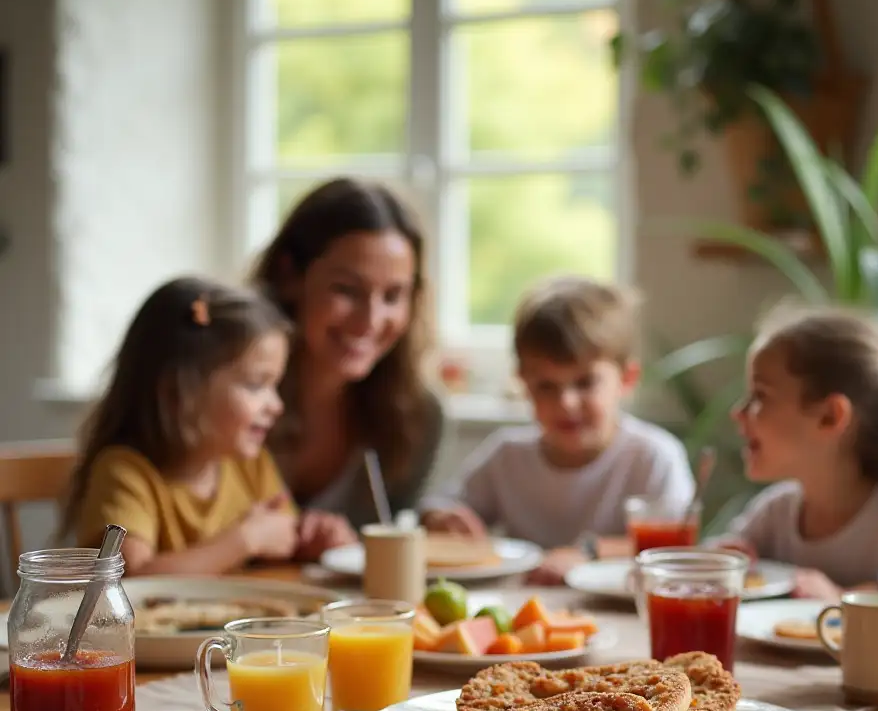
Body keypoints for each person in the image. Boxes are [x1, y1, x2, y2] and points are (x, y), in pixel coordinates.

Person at [62, 278, 351, 574]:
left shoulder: (250, 466)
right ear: (181, 392)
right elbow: (133, 578)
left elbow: (280, 542)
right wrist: (245, 539)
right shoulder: (126, 472)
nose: (276, 405)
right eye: (255, 385)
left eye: (274, 385)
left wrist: (316, 540)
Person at [421, 276, 695, 583]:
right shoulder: (507, 456)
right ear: (523, 383)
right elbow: (438, 504)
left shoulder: (654, 456)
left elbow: (675, 547)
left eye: (585, 383)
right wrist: (442, 518)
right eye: (546, 386)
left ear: (627, 378)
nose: (566, 403)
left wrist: (588, 552)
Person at [719, 303, 878, 623]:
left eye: (760, 396)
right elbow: (721, 559)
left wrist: (844, 599)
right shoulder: (776, 510)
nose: (738, 412)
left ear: (830, 417)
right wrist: (725, 561)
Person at [253, 178, 443, 534]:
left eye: (392, 296)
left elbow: (382, 552)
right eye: (346, 290)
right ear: (289, 275)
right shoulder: (220, 395)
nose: (370, 321)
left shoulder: (417, 419)